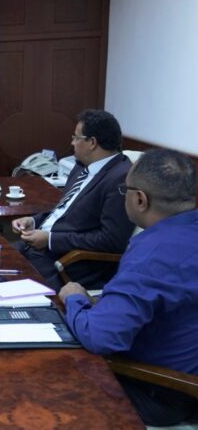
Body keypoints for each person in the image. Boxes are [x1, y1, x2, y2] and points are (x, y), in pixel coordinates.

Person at [59, 149, 198, 426]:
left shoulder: (153, 254)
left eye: (125, 189)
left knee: (50, 374)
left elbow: (100, 337)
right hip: (185, 380)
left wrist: (74, 298)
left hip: (158, 389)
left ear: (140, 199)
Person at [11, 109, 135, 290]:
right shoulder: (82, 167)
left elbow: (111, 240)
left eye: (76, 138)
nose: (72, 143)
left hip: (68, 264)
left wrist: (51, 240)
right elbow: (65, 210)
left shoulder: (121, 178)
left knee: (0, 282)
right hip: (38, 249)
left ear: (92, 142)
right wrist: (33, 220)